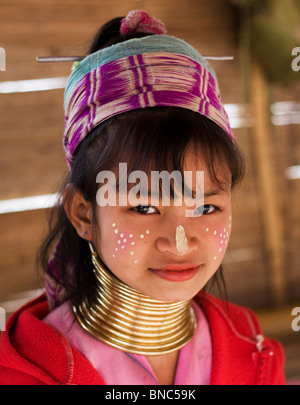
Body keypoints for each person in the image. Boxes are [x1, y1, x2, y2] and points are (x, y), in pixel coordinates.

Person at [0, 10, 285, 385]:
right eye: (144, 207)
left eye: (205, 207)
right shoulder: (28, 372)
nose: (180, 240)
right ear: (84, 214)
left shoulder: (254, 351)